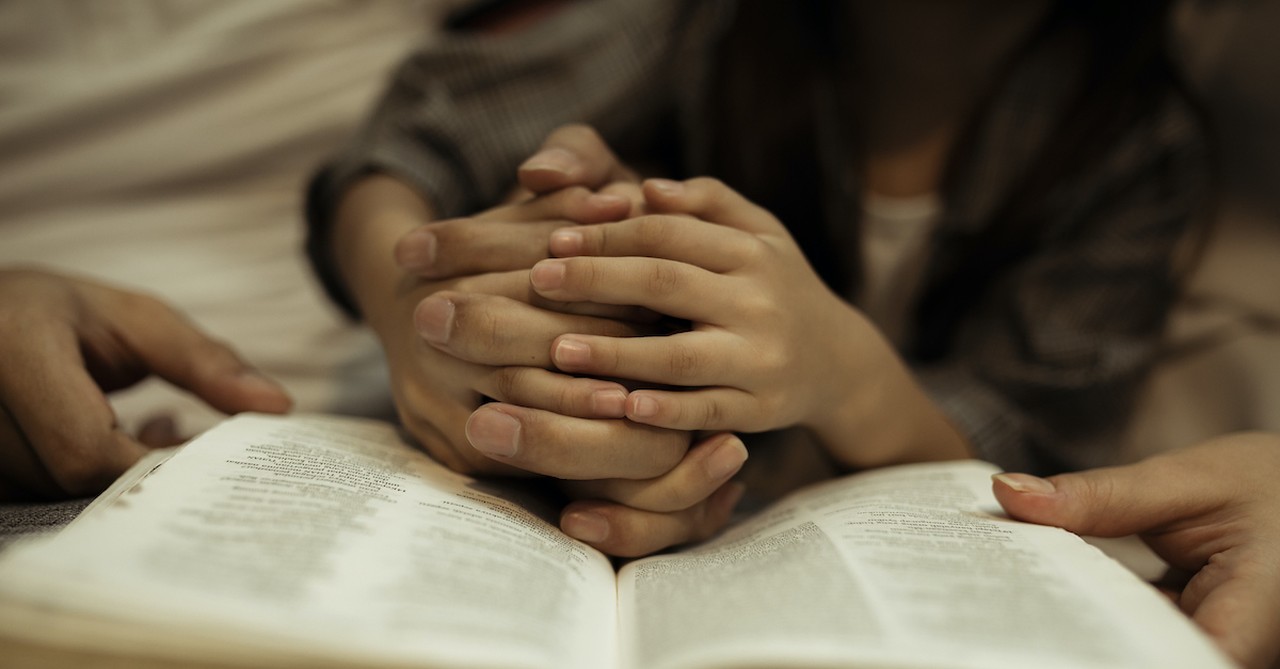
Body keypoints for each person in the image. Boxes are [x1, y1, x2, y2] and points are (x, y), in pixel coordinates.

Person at [308, 0, 1208, 552]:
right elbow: (405, 146)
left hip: (802, 511)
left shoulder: (1137, 148)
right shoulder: (705, 19)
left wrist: (838, 372)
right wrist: (417, 300)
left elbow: (1028, 453)